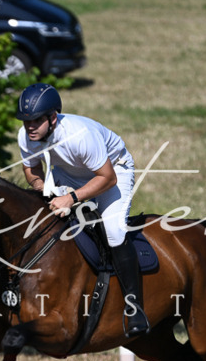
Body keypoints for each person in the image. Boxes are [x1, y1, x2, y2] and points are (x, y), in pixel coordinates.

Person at [15, 82, 149, 336]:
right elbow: (30, 169)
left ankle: (135, 308)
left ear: (52, 118)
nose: (29, 127)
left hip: (112, 172)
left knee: (113, 231)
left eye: (35, 121)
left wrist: (72, 198)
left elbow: (106, 178)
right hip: (68, 172)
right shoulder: (26, 136)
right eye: (25, 121)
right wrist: (42, 187)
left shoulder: (79, 134)